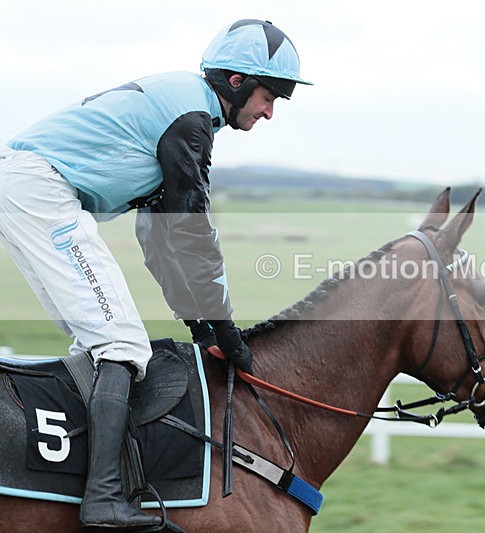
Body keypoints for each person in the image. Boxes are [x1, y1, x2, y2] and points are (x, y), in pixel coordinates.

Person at [0, 19, 311, 529]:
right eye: (269, 96)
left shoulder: (187, 112)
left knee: (99, 341)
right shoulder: (189, 118)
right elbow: (192, 230)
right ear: (236, 82)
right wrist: (225, 326)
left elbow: (160, 239)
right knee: (122, 341)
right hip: (39, 192)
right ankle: (103, 500)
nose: (270, 112)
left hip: (27, 190)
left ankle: (71, 487)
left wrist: (202, 327)